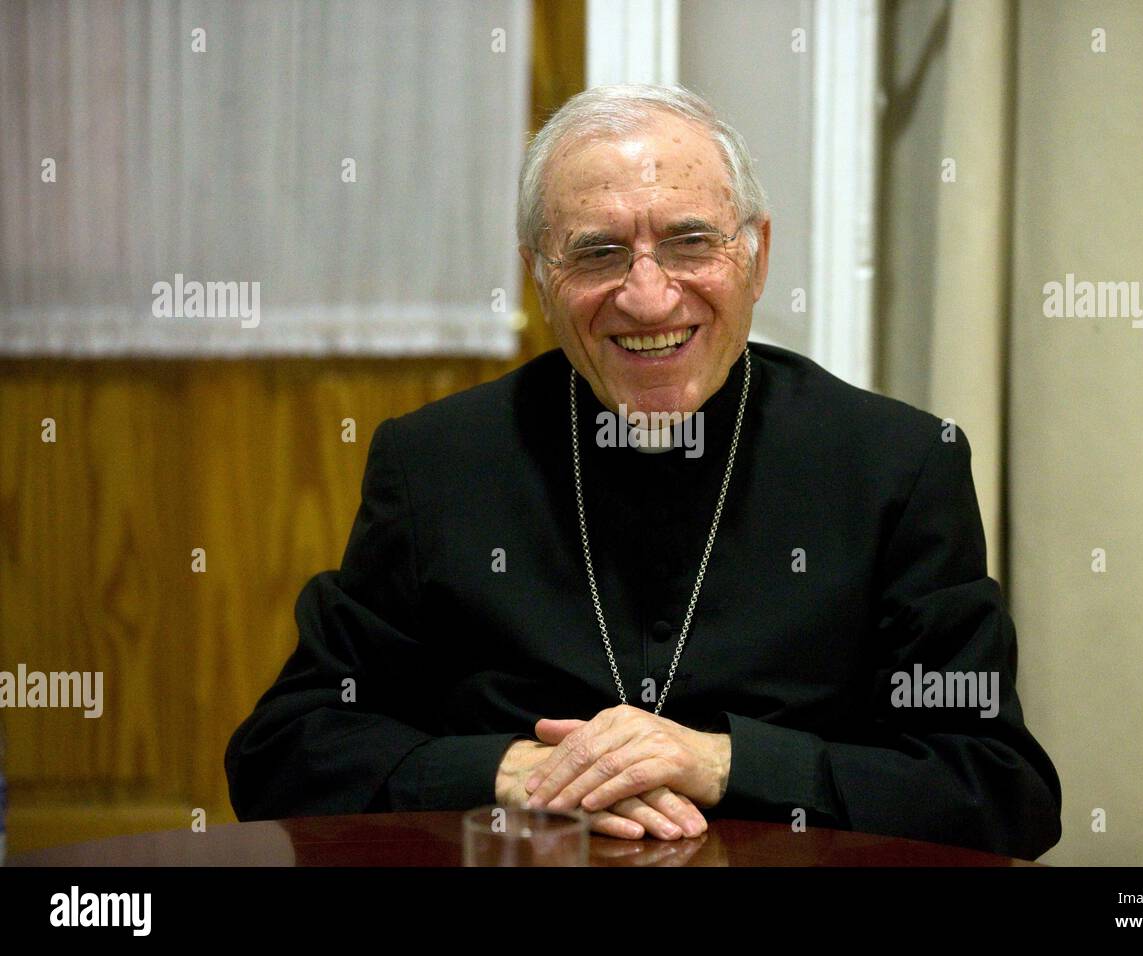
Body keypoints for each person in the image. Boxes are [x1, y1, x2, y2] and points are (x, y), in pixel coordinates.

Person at [225, 84, 1062, 859]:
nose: (650, 297)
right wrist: (514, 773)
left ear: (758, 255)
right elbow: (285, 750)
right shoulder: (436, 465)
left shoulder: (896, 467)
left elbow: (999, 790)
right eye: (597, 254)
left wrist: (726, 762)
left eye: (691, 242)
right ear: (541, 280)